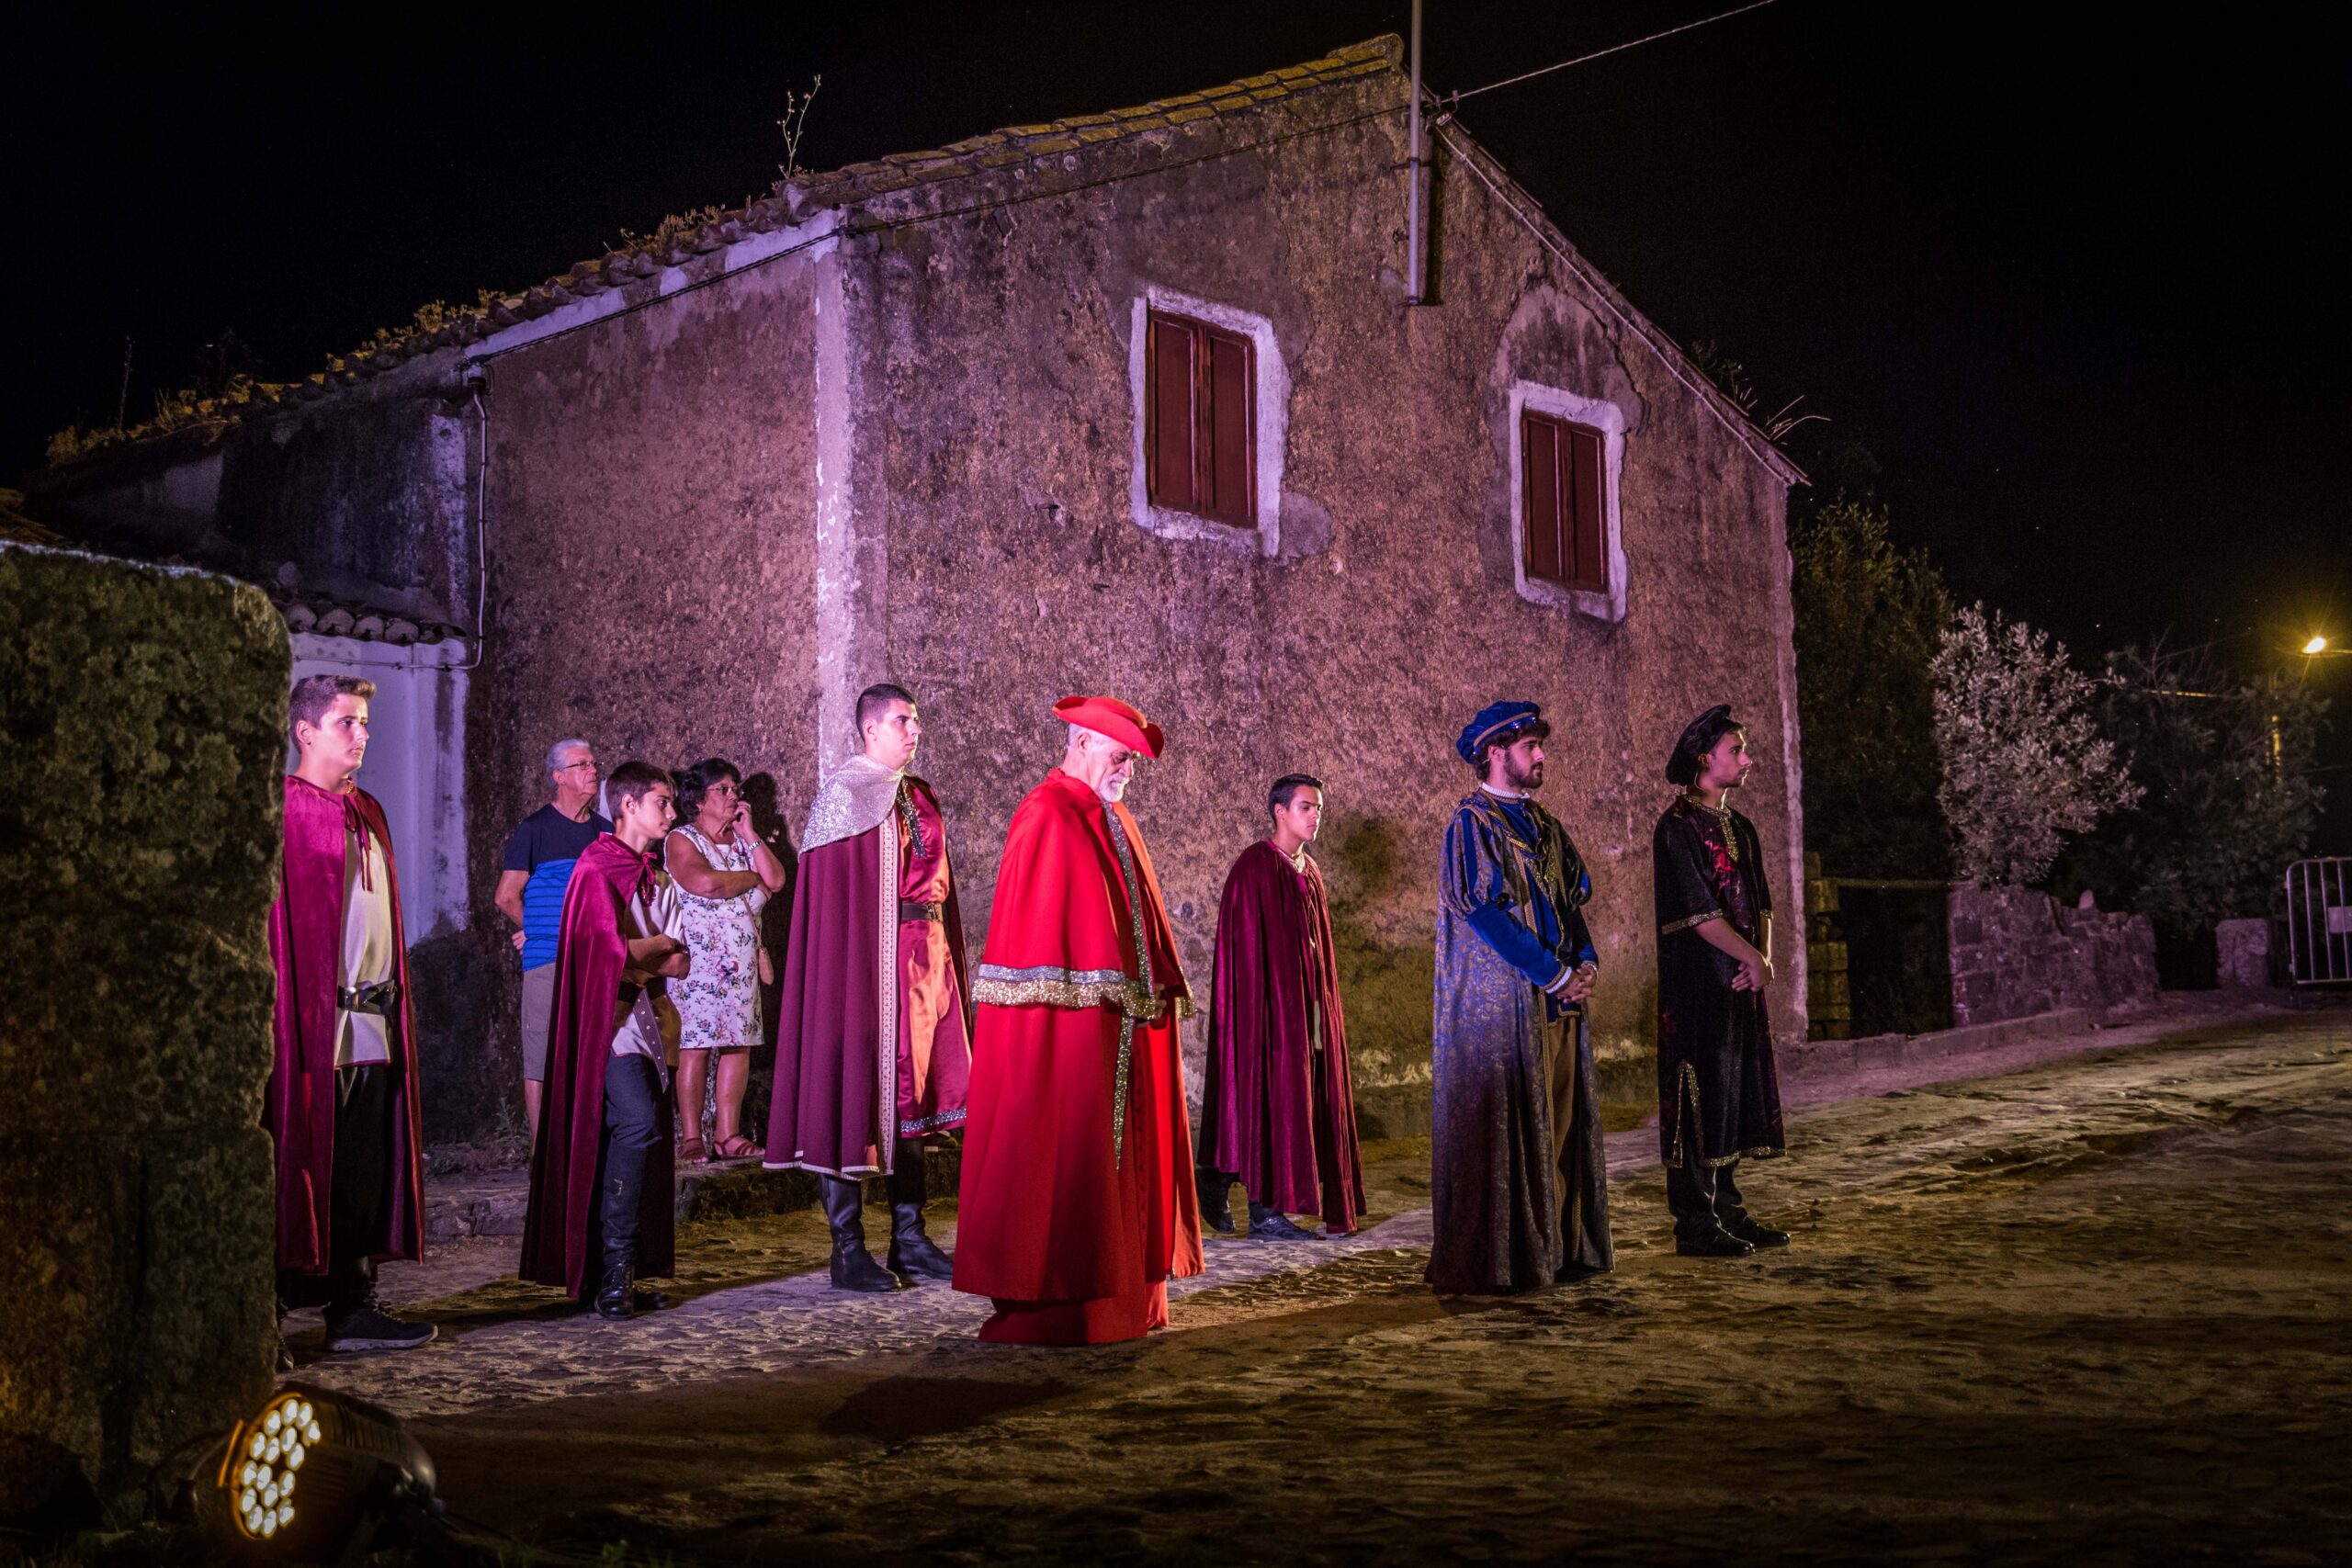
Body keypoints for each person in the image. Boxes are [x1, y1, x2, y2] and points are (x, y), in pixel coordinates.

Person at [954, 695, 1204, 1343]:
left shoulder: (1110, 815)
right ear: (1085, 741)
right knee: (1068, 1159)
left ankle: (1128, 1290)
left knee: (1122, 1159)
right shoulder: (1047, 813)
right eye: (1122, 755)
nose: (1128, 770)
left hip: (1120, 1028)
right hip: (1070, 1032)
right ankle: (1068, 1297)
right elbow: (1038, 942)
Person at [763, 683, 973, 1290]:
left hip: (923, 968)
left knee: (914, 1102)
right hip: (869, 969)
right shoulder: (846, 795)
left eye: (918, 720)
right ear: (872, 729)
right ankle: (847, 1248)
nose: (915, 730)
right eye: (905, 720)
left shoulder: (918, 793)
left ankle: (909, 1239)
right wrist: (861, 969)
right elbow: (838, 903)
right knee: (854, 1089)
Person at [266, 673, 434, 1353]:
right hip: (311, 1025)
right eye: (347, 722)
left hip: (372, 1023)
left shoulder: (369, 810)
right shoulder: (283, 809)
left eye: (365, 722)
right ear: (305, 731)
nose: (362, 734)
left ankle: (353, 1306)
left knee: (361, 1169)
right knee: (297, 1166)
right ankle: (266, 1316)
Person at [1428, 700, 1613, 1294]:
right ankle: (1509, 1254)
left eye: (1540, 744)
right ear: (1495, 752)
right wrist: (1549, 972)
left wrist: (1583, 961)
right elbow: (1486, 914)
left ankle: (1557, 1243)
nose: (1541, 756)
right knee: (1512, 1130)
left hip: (1555, 1003)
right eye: (1530, 745)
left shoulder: (1545, 826)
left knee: (1557, 1125)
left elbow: (1568, 903)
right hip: (1506, 1008)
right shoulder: (1472, 826)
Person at [520, 761, 688, 1319]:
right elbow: (605, 953)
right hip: (606, 1025)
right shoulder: (596, 867)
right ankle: (612, 1272)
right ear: (629, 807)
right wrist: (652, 948)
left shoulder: (655, 874)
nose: (672, 812)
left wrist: (646, 953)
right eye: (662, 802)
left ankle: (618, 1272)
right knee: (637, 1125)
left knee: (641, 1135)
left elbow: (681, 963)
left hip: (647, 1024)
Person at [1197, 773, 1365, 1240]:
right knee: (1267, 1096)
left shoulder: (1308, 871)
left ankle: (1219, 1175)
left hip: (1304, 1011)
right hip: (1264, 1016)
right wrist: (1268, 1015)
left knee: (1299, 1096)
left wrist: (1316, 1012)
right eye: (1307, 807)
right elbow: (1244, 955)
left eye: (1319, 810)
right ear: (1280, 811)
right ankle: (1262, 1210)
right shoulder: (1254, 868)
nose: (1316, 817)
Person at [1654, 705, 1789, 1258]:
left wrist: (1763, 960)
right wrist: (1752, 960)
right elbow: (1700, 914)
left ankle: (1730, 1209)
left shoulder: (1742, 829)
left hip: (1740, 981)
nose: (1747, 759)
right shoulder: (1676, 829)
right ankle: (1696, 1222)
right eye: (1737, 750)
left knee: (1734, 1091)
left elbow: (1762, 907)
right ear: (1706, 758)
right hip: (1698, 988)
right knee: (1696, 1095)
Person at [665, 758, 786, 1164]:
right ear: (699, 800)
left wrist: (750, 834)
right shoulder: (683, 839)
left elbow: (778, 880)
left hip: (741, 964)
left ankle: (728, 1134)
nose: (734, 796)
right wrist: (750, 880)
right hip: (699, 964)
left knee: (739, 1045)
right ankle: (691, 1137)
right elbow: (704, 882)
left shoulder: (741, 842)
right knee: (695, 1047)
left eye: (737, 789)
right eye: (724, 790)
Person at [494, 739, 609, 1142]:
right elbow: (506, 896)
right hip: (548, 960)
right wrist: (544, 927)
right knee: (541, 1057)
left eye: (594, 763)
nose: (593, 770)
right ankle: (543, 1151)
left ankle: (584, 1143)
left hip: (596, 961)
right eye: (582, 765)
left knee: (591, 1055)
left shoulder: (605, 833)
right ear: (558, 777)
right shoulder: (535, 829)